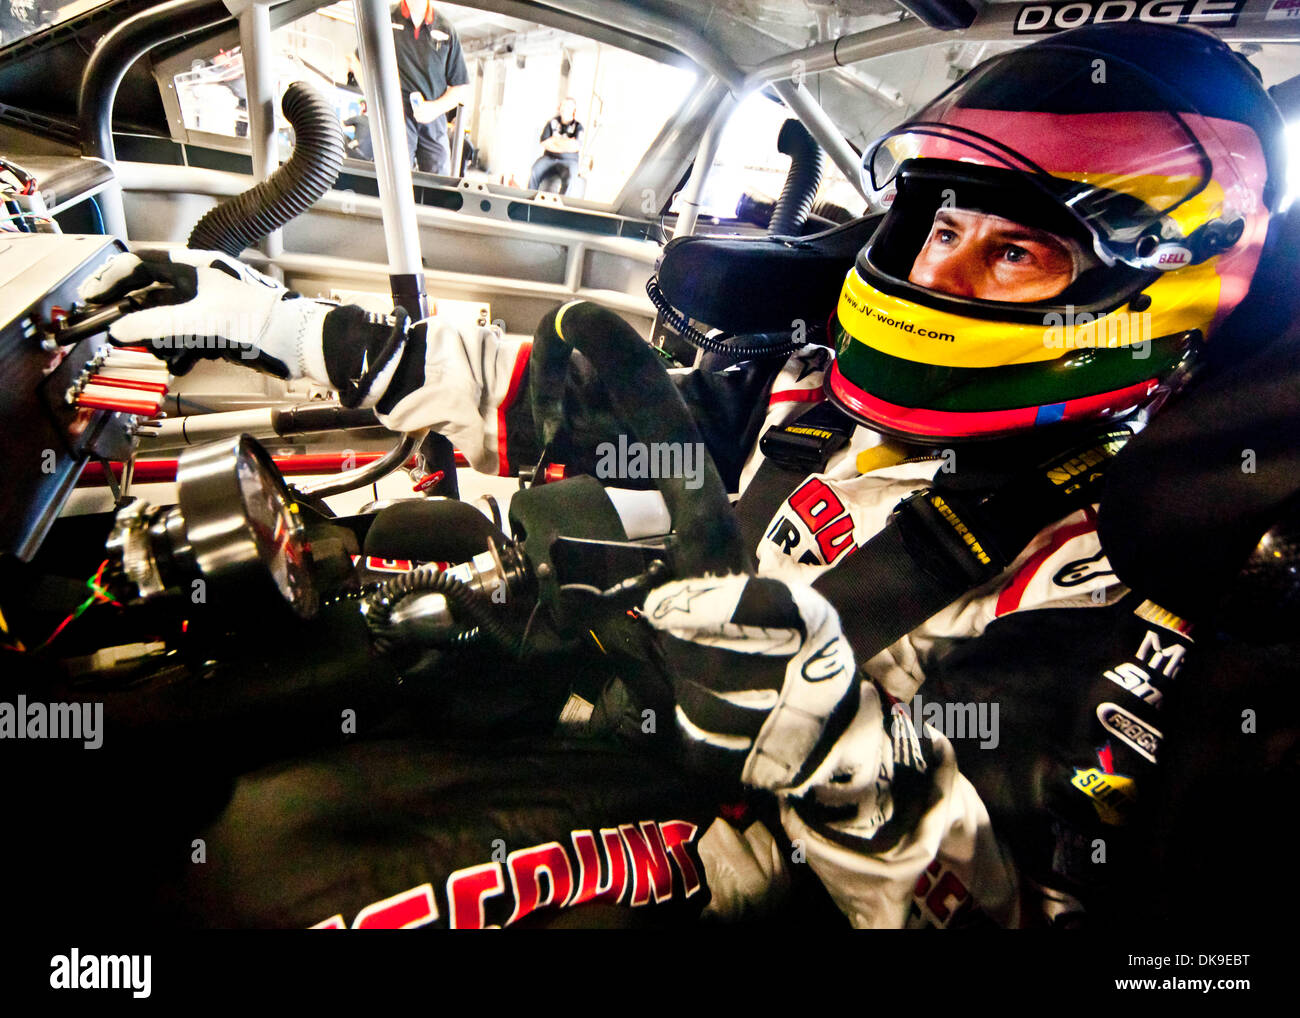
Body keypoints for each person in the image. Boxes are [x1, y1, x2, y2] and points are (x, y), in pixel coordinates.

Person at [77, 23, 1288, 928]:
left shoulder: (1118, 570)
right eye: (936, 227)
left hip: (755, 844)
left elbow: (1004, 912)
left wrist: (843, 754)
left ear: (1145, 288)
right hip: (596, 689)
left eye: (1013, 249)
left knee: (273, 880)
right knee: (164, 721)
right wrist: (283, 327)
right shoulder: (814, 391)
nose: (939, 276)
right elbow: (566, 409)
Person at [358, 1, 471, 175]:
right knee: (396, 177)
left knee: (439, 183)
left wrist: (435, 109)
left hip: (433, 119)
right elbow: (356, 60)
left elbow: (460, 86)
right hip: (396, 116)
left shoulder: (446, 29)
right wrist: (376, 99)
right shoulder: (384, 18)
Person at [528, 97, 583, 193]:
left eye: (569, 107)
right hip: (549, 158)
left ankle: (562, 205)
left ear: (574, 110)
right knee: (534, 171)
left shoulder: (578, 126)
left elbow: (575, 146)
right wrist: (566, 143)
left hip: (569, 161)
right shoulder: (552, 123)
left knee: (571, 179)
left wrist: (555, 141)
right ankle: (530, 200)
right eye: (563, 106)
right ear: (560, 108)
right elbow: (545, 142)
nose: (565, 109)